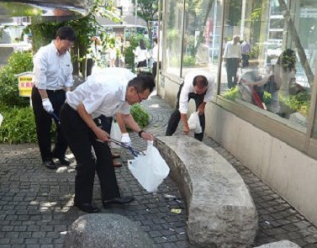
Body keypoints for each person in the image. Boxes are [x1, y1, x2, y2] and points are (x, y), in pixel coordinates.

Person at [59, 70, 155, 213]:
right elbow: (81, 108)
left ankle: (110, 197)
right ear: (132, 90)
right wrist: (97, 130)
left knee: (104, 154)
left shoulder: (126, 95)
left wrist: (141, 132)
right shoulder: (110, 90)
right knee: (87, 160)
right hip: (72, 114)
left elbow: (126, 115)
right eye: (141, 99)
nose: (140, 102)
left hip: (91, 114)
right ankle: (82, 200)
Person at [32, 26, 75, 170]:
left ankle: (59, 153)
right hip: (42, 92)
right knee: (44, 127)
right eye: (67, 44)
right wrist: (45, 100)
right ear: (58, 39)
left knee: (65, 125)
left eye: (71, 45)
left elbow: (68, 76)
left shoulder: (67, 55)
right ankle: (47, 157)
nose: (68, 48)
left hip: (59, 93)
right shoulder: (43, 54)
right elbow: (40, 80)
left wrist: (68, 93)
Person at [165, 70, 215, 141]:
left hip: (201, 89)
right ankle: (168, 135)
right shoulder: (187, 86)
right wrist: (185, 125)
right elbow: (183, 107)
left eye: (202, 91)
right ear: (193, 86)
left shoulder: (211, 80)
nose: (199, 93)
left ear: (206, 87)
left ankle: (198, 140)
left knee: (200, 113)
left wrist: (203, 105)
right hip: (187, 89)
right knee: (178, 111)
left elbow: (209, 94)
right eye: (197, 91)